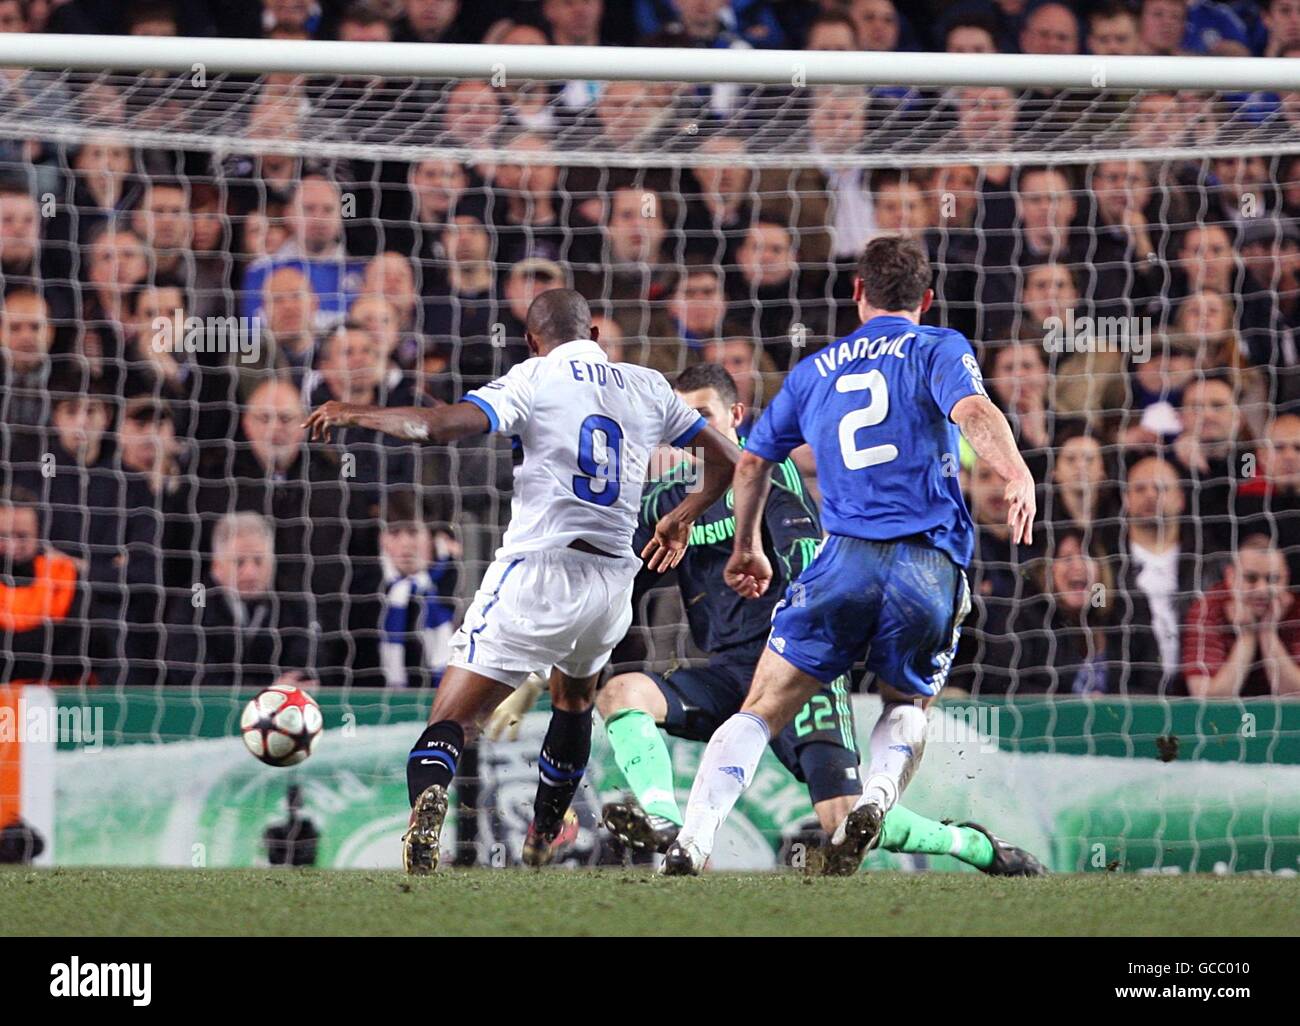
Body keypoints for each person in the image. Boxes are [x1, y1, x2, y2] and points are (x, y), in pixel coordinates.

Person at [490, 362, 1044, 876]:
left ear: (736, 415)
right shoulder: (662, 502)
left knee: (845, 821)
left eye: (702, 416)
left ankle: (973, 845)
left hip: (794, 670)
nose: (690, 432)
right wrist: (539, 673)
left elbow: (807, 560)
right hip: (728, 673)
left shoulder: (769, 478)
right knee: (622, 693)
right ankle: (664, 820)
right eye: (680, 420)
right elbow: (612, 590)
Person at [303, 288, 739, 872]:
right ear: (594, 335)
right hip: (613, 580)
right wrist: (683, 515)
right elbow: (731, 459)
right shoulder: (648, 385)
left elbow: (434, 427)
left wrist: (355, 412)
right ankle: (543, 832)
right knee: (574, 699)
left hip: (539, 571)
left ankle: (426, 806)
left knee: (452, 720)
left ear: (533, 341)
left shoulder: (533, 378)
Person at [661, 234, 1036, 875]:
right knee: (905, 704)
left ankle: (692, 842)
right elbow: (974, 409)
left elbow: (751, 462)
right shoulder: (939, 346)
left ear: (857, 292)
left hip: (840, 562)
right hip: (925, 564)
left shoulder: (815, 371)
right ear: (927, 299)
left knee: (762, 708)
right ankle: (878, 799)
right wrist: (1015, 471)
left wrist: (747, 545)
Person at [1183, 535, 1300, 697]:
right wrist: (1247, 636)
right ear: (1230, 576)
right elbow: (1207, 698)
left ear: (1286, 577)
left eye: (1272, 579)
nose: (1262, 589)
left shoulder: (1296, 610)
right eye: (1251, 578)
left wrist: (1267, 633)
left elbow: (1296, 694)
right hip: (1224, 714)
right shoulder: (1207, 609)